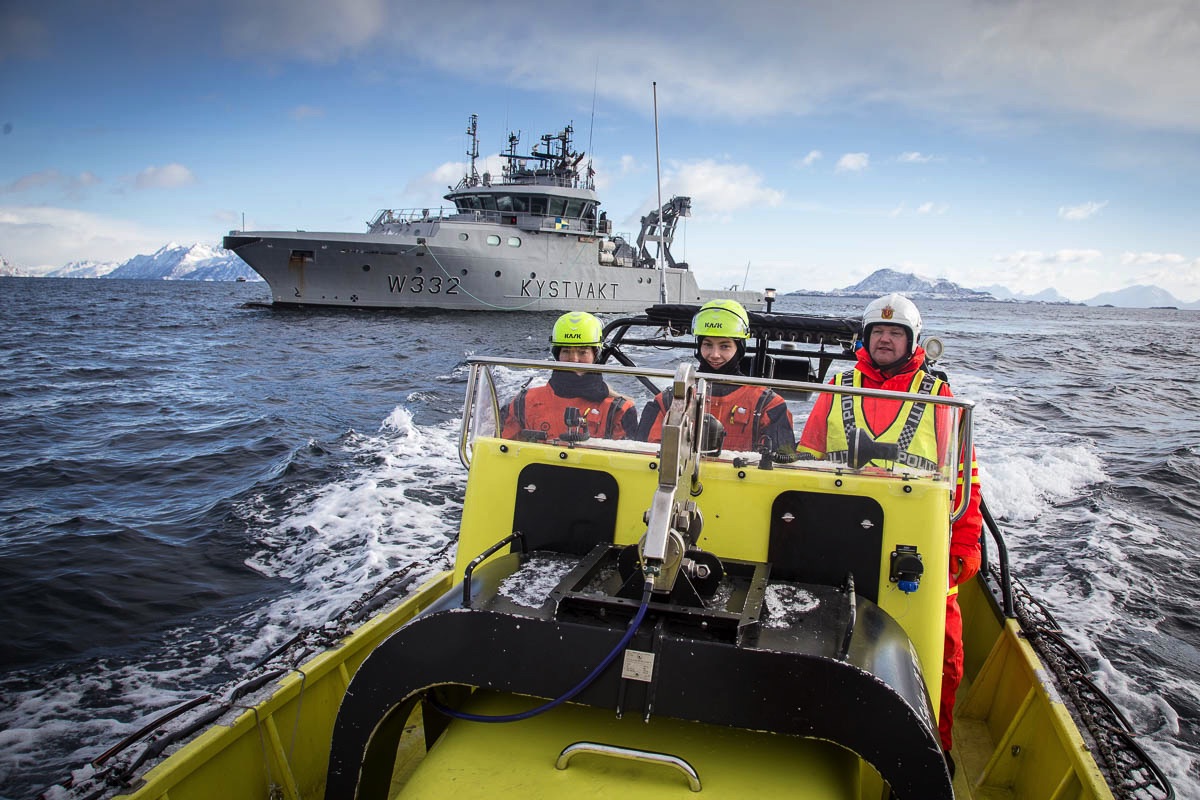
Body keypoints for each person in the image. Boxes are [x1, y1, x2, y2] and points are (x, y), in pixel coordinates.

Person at [797, 292, 982, 773]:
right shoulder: (838, 384)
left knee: (942, 650)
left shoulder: (940, 394)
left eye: (895, 332)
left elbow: (964, 481)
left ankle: (932, 751)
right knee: (818, 634)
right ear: (865, 337)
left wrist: (961, 548)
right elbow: (806, 458)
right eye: (878, 332)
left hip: (916, 541)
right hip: (839, 529)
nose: (885, 339)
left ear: (911, 341)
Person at [637, 299, 794, 454]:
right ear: (699, 347)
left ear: (739, 349)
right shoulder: (668, 401)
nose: (715, 355)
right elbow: (644, 457)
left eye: (724, 346)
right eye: (708, 344)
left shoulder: (769, 406)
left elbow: (782, 462)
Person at [501, 311, 639, 441]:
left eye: (582, 352)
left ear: (595, 355)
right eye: (566, 351)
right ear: (557, 355)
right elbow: (502, 451)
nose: (574, 359)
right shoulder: (523, 403)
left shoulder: (619, 411)